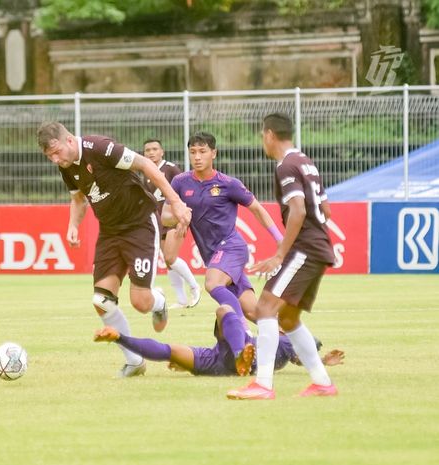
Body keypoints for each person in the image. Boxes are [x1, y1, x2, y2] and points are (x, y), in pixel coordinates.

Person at [37, 121, 192, 377]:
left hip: (140, 224)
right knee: (101, 302)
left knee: (141, 302)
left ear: (69, 141)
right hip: (110, 232)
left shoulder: (99, 148)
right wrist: (73, 225)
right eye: (49, 156)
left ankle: (159, 302)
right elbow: (78, 198)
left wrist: (175, 203)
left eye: (56, 152)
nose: (55, 160)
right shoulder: (66, 166)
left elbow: (145, 164)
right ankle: (134, 361)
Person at [227, 112, 338, 400]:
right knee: (288, 318)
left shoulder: (286, 165)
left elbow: (299, 210)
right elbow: (325, 209)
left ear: (268, 135)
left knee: (265, 308)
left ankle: (262, 385)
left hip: (305, 248)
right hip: (318, 247)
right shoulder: (305, 162)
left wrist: (280, 254)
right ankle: (322, 383)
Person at [163, 132, 283, 331]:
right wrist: (179, 214)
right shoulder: (180, 182)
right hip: (213, 256)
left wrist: (280, 240)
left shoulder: (228, 184)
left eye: (202, 151)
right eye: (193, 152)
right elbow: (165, 216)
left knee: (212, 283)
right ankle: (299, 344)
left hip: (232, 247)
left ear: (214, 153)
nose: (197, 157)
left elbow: (258, 209)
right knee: (255, 312)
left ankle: (242, 332)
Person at [93, 304, 345, 377]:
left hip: (225, 359)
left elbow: (302, 357)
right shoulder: (285, 344)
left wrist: (321, 361)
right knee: (170, 351)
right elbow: (302, 359)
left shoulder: (285, 339)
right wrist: (321, 363)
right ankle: (239, 357)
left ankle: (119, 337)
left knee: (224, 310)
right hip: (226, 358)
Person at [142, 138, 201, 309]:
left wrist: (184, 217)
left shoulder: (170, 169)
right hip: (159, 222)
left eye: (154, 149)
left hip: (175, 219)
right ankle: (181, 299)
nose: (151, 153)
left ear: (162, 152)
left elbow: (186, 191)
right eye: (147, 150)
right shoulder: (145, 171)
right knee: (168, 261)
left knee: (170, 257)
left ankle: (194, 286)